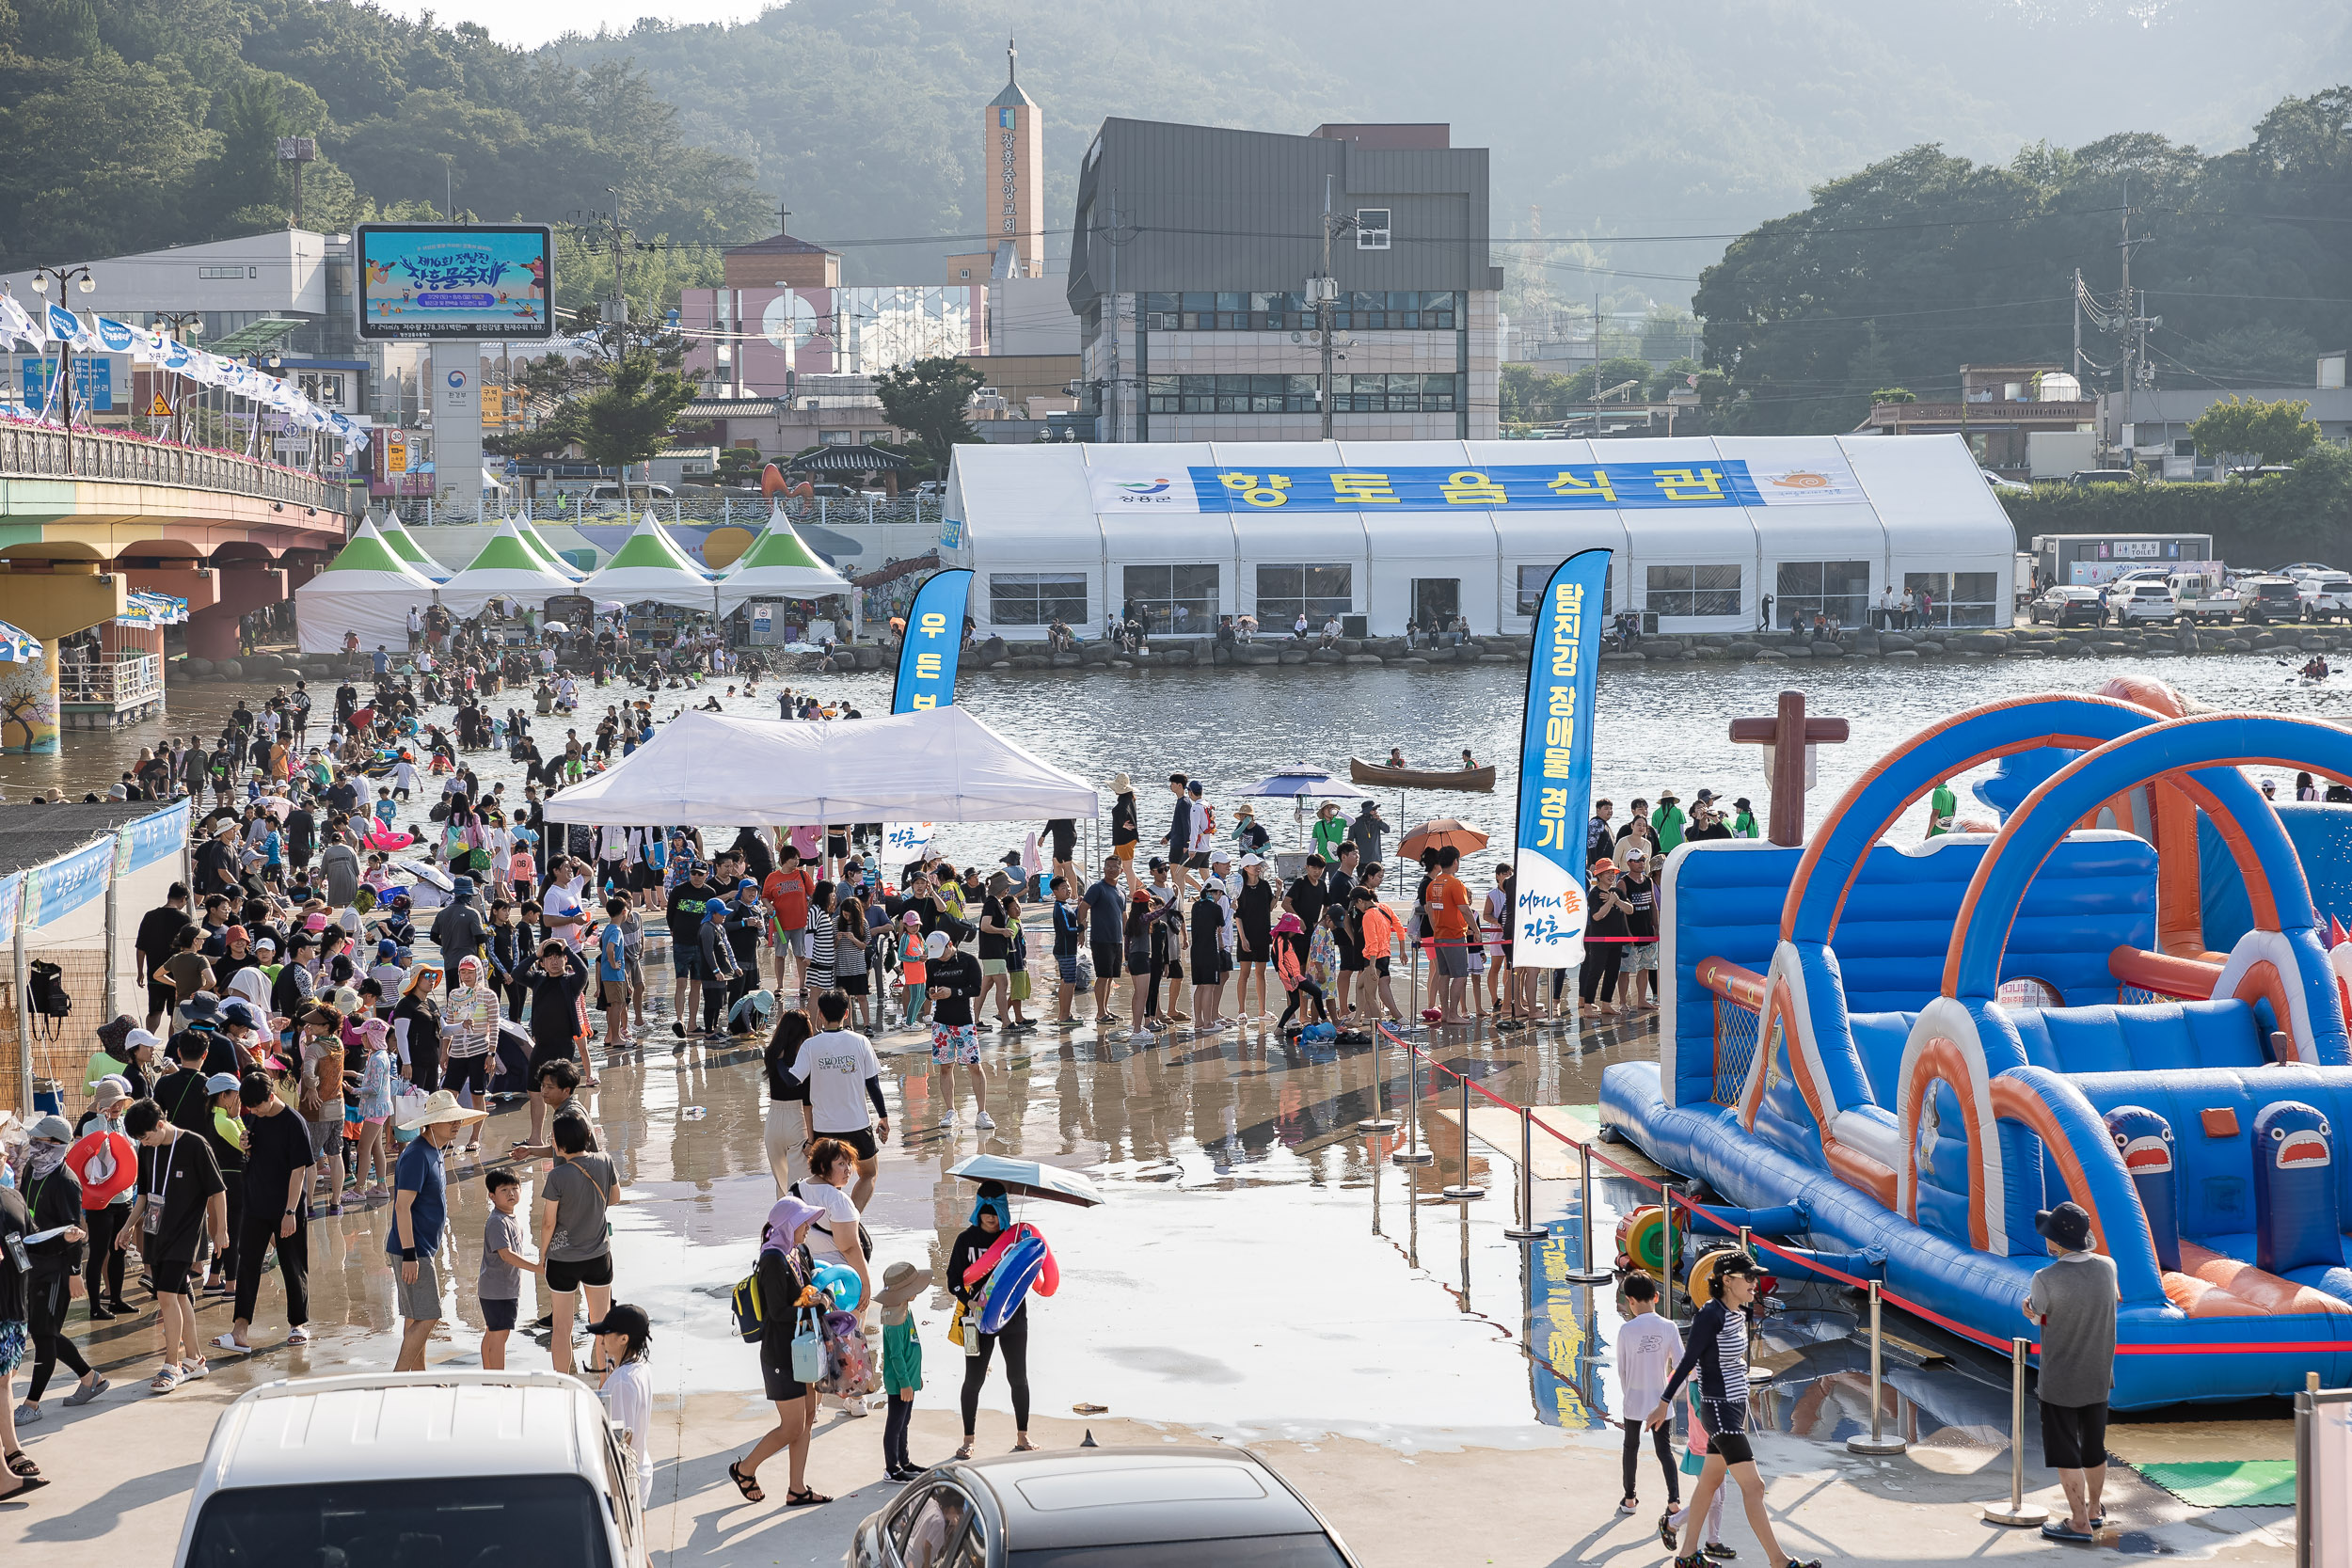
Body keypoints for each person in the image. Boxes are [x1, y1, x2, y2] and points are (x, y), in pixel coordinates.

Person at [1648, 1252, 1819, 1568]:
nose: (1756, 1283)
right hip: (1720, 1411)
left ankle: (1687, 1556)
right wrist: (1664, 1401)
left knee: (1709, 1483)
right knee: (1754, 1486)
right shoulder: (1710, 1314)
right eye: (1749, 1277)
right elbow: (1687, 1361)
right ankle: (1779, 1561)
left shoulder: (1737, 1313)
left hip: (1732, 1410)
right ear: (1727, 1280)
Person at [120, 1095, 229, 1393]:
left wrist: (221, 1231)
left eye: (145, 1136)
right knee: (179, 1297)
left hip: (186, 1234)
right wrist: (128, 1227)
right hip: (157, 1232)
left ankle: (172, 1365)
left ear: (159, 1124)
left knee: (165, 1293)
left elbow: (218, 1191)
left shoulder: (194, 1144)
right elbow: (143, 1195)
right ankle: (195, 1360)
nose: (144, 1142)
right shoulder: (148, 1150)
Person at [2026, 1201, 2119, 1543]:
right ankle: (2094, 1510)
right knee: (2094, 1449)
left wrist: (2030, 1309)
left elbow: (2036, 1315)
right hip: (2098, 1375)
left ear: (2057, 1244)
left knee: (2067, 1452)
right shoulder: (2108, 1267)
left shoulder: (2044, 1278)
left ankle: (2078, 1522)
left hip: (2060, 1379)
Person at [729, 1194, 828, 1508]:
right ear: (788, 1225)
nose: (809, 1229)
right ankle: (744, 1470)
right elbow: (778, 1312)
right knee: (792, 1426)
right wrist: (809, 1305)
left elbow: (809, 1289)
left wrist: (820, 1297)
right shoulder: (772, 1259)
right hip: (780, 1353)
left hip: (804, 1349)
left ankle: (796, 1488)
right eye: (804, 1223)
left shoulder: (797, 1253)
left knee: (809, 1417)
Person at [14, 1116, 103, 1420]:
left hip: (56, 1269)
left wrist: (74, 1274)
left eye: (40, 1140)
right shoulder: (31, 1169)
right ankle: (91, 1379)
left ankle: (32, 1404)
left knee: (43, 1332)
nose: (33, 1145)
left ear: (55, 1145)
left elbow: (74, 1233)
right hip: (31, 1264)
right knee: (45, 1331)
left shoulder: (66, 1182)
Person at [391, 1089, 486, 1371]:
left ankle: (418, 1377)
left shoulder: (435, 1150)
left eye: (457, 1119)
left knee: (415, 1316)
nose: (456, 1124)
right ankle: (396, 1380)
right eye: (449, 1120)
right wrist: (410, 1254)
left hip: (421, 1247)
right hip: (412, 1248)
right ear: (431, 1123)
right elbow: (401, 1207)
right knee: (430, 1315)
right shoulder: (417, 1155)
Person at [224, 1072, 313, 1352]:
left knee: (292, 1263)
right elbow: (250, 1151)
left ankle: (298, 1324)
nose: (256, 1112)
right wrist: (244, 1143)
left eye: (259, 1107)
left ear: (271, 1096)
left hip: (286, 1205)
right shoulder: (254, 1117)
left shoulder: (294, 1123)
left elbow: (298, 1171)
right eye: (251, 1108)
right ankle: (240, 1329)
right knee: (248, 1264)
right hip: (255, 1203)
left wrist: (290, 1211)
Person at [949, 1180, 1035, 1458]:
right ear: (978, 1208)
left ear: (1004, 1210)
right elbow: (952, 1282)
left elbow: (1030, 1275)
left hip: (1013, 1318)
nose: (989, 1215)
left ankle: (1023, 1436)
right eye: (985, 1208)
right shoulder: (966, 1240)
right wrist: (969, 1300)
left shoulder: (1015, 1240)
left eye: (995, 1209)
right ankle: (968, 1439)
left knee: (1018, 1377)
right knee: (973, 1380)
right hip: (974, 1320)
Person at [541, 1114, 622, 1377]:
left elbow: (548, 1223)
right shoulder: (605, 1161)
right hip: (598, 1254)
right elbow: (616, 1197)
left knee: (562, 1328)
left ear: (561, 1144)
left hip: (562, 1259)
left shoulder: (557, 1176)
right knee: (601, 1323)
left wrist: (542, 1256)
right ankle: (605, 1383)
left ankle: (562, 1385)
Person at [790, 993, 888, 1210]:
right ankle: (851, 1218)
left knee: (829, 1181)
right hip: (857, 1124)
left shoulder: (810, 1046)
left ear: (821, 1015)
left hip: (824, 1127)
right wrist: (883, 1116)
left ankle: (833, 1222)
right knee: (869, 1173)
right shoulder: (861, 1041)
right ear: (847, 1013)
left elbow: (794, 1080)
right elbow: (873, 1084)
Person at [1615, 1272, 1681, 1517]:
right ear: (1656, 1296)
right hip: (1659, 1398)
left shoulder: (1626, 1330)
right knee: (1664, 1451)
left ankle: (1630, 1499)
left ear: (1630, 1301)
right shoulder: (1669, 1327)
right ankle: (1674, 1502)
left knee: (1630, 1447)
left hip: (1634, 1397)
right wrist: (1670, 1395)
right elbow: (1682, 1365)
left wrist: (1628, 1394)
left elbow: (1622, 1369)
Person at [589, 1304, 655, 1512]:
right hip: (640, 1473)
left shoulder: (622, 1381)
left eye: (607, 1333)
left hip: (625, 1482)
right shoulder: (641, 1368)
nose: (601, 1338)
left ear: (624, 1339)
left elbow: (621, 1441)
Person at [926, 930, 992, 1129]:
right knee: (945, 1067)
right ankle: (950, 1111)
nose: (940, 958)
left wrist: (952, 992)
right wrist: (931, 993)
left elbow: (976, 989)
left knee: (974, 1066)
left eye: (942, 953)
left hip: (964, 1022)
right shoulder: (933, 963)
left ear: (950, 944)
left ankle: (982, 1112)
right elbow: (929, 989)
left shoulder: (968, 960)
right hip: (941, 1023)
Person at [478, 1168, 539, 1371]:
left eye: (515, 1188)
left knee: (493, 1333)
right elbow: (506, 1254)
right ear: (492, 1196)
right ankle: (498, 1381)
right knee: (500, 1335)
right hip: (498, 1290)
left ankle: (490, 1377)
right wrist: (537, 1268)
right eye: (504, 1190)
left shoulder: (511, 1218)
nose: (511, 1193)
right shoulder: (497, 1221)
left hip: (500, 1288)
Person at [878, 1260, 933, 1481]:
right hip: (900, 1382)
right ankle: (891, 1468)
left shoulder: (904, 1309)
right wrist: (904, 1383)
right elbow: (896, 1355)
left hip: (909, 1378)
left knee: (904, 1422)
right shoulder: (894, 1320)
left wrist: (914, 1377)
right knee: (895, 1423)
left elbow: (912, 1344)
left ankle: (905, 1461)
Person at [1424, 845, 1474, 1024]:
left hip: (1439, 934)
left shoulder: (1432, 884)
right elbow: (1465, 910)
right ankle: (1453, 1013)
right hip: (1454, 935)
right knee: (1460, 975)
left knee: (1444, 974)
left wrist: (1436, 928)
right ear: (1455, 862)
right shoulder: (1455, 884)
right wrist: (1475, 930)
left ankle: (1445, 1013)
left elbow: (1429, 910)